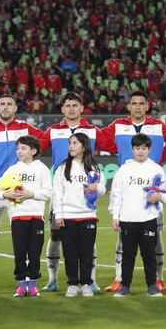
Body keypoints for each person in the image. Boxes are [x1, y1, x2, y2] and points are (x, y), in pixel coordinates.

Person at [101, 90, 166, 293]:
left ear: (147, 106)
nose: (137, 106)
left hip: (149, 202)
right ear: (129, 106)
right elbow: (102, 141)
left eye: (141, 103)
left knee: (155, 239)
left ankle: (157, 280)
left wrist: (159, 160)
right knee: (124, 244)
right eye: (133, 103)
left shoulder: (159, 126)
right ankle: (120, 279)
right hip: (128, 198)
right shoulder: (117, 126)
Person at [38, 92, 110, 293]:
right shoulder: (53, 131)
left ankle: (90, 280)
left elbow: (114, 146)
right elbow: (35, 149)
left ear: (81, 108)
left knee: (88, 241)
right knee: (55, 234)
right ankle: (53, 279)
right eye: (67, 105)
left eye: (74, 105)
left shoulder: (93, 131)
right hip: (62, 192)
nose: (71, 108)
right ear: (62, 109)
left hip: (85, 202)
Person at [0, 93, 43, 293]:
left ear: (15, 108)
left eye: (9, 104)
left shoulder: (25, 128)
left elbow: (44, 140)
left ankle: (26, 281)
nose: (5, 107)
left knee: (23, 236)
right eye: (2, 103)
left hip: (17, 193)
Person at [110, 134, 166, 298]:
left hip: (148, 218)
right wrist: (116, 215)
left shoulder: (156, 169)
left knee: (149, 254)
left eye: (144, 148)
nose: (141, 151)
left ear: (149, 149)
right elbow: (116, 194)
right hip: (127, 219)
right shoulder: (124, 169)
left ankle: (152, 285)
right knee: (128, 255)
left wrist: (160, 197)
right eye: (137, 148)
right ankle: (125, 286)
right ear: (132, 149)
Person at [0, 136, 52, 297]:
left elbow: (48, 192)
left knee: (34, 253)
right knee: (19, 252)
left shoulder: (41, 169)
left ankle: (33, 285)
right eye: (18, 148)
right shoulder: (13, 169)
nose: (19, 151)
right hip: (17, 217)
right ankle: (21, 285)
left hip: (36, 217)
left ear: (33, 151)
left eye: (23, 148)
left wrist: (30, 194)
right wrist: (7, 194)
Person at [52, 133, 106, 297]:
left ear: (84, 146)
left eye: (75, 143)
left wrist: (95, 187)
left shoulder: (94, 167)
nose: (71, 146)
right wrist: (58, 214)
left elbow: (103, 189)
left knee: (86, 252)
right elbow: (57, 193)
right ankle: (73, 284)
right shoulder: (62, 168)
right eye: (70, 143)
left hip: (88, 215)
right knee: (70, 252)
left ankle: (86, 284)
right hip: (67, 216)